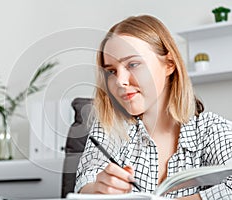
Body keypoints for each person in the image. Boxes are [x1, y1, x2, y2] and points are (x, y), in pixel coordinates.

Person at [74, 15, 232, 200]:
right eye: (111, 71)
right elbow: (86, 180)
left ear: (169, 64)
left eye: (133, 64)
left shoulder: (211, 129)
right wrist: (96, 189)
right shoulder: (110, 127)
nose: (120, 81)